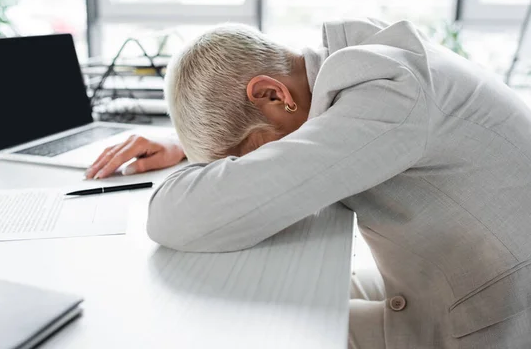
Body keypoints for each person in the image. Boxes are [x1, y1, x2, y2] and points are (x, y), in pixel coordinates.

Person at [85, 19, 531, 349]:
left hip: (491, 322)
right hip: (464, 280)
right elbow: (308, 141)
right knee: (267, 299)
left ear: (272, 94)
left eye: (248, 157)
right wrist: (184, 146)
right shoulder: (361, 65)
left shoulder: (391, 97)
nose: (255, 167)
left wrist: (218, 163)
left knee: (248, 332)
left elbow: (171, 219)